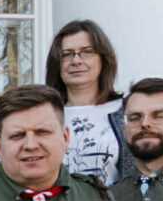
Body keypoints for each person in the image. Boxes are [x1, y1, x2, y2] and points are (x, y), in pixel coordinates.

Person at [45, 18, 127, 186]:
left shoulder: (126, 111)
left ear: (103, 59)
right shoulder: (43, 114)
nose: (76, 61)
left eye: (87, 52)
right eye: (67, 54)